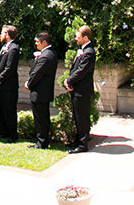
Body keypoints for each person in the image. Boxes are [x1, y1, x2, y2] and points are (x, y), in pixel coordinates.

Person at [63, 25, 96, 153]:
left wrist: (68, 80)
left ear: (85, 37)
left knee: (82, 118)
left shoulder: (89, 52)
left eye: (78, 37)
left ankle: (82, 145)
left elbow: (81, 71)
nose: (76, 39)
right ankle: (78, 141)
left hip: (82, 90)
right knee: (78, 117)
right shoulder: (83, 50)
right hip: (77, 89)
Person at [25, 32, 58, 149]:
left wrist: (29, 83)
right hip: (44, 92)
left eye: (37, 42)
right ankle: (41, 140)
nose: (35, 44)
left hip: (40, 92)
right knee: (42, 117)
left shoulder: (45, 56)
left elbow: (37, 73)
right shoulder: (50, 53)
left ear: (44, 42)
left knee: (40, 118)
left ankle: (41, 142)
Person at [0, 25, 20, 142]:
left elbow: (10, 67)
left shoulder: (13, 48)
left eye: (2, 33)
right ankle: (3, 132)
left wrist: (0, 78)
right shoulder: (4, 47)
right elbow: (0, 64)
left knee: (10, 109)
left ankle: (12, 135)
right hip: (3, 84)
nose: (0, 35)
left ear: (7, 35)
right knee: (3, 108)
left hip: (9, 85)